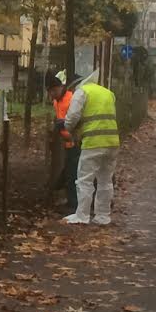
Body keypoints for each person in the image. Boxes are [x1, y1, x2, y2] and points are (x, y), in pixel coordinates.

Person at [62, 73, 120, 225]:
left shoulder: (82, 92)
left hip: (93, 142)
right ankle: (103, 216)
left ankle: (82, 216)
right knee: (105, 180)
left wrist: (67, 126)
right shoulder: (107, 92)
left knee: (84, 180)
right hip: (112, 141)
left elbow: (72, 117)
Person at [48, 71, 79, 214]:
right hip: (67, 142)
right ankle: (71, 200)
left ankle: (74, 204)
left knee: (72, 174)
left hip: (76, 141)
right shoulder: (56, 102)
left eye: (54, 91)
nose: (52, 94)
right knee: (70, 172)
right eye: (50, 92)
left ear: (61, 87)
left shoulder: (71, 99)